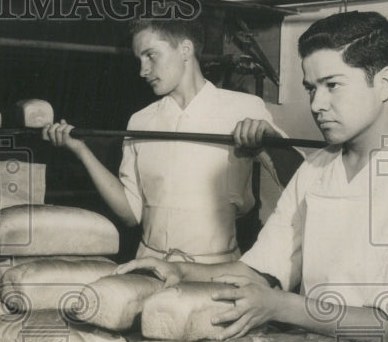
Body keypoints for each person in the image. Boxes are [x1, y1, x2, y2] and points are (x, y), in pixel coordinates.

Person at [118, 10, 388, 342]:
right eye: (311, 89)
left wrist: (282, 307)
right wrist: (181, 271)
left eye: (333, 85)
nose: (316, 104)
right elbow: (259, 269)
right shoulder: (317, 168)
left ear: (385, 83)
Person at [43, 16, 302, 262]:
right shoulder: (141, 121)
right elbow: (131, 215)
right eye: (139, 59)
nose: (143, 71)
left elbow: (300, 182)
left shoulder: (243, 108)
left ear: (185, 50)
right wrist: (81, 151)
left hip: (214, 270)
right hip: (150, 267)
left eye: (151, 55)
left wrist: (268, 140)